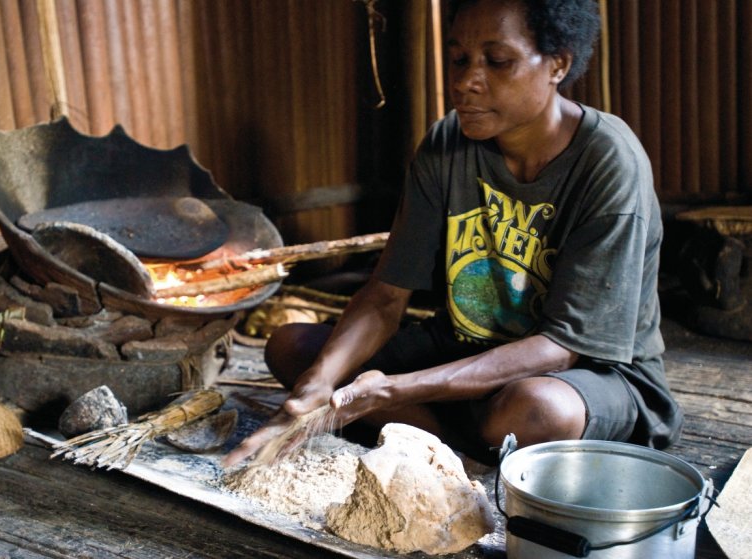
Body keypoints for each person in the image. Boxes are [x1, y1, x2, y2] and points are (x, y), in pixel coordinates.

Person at [223, 0, 683, 468]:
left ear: (558, 64)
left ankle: (434, 432)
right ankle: (464, 447)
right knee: (295, 350)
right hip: (465, 351)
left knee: (537, 410)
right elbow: (385, 296)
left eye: (497, 61)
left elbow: (562, 348)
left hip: (587, 374)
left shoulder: (608, 162)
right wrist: (318, 385)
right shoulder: (447, 144)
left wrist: (390, 391)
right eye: (460, 59)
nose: (465, 82)